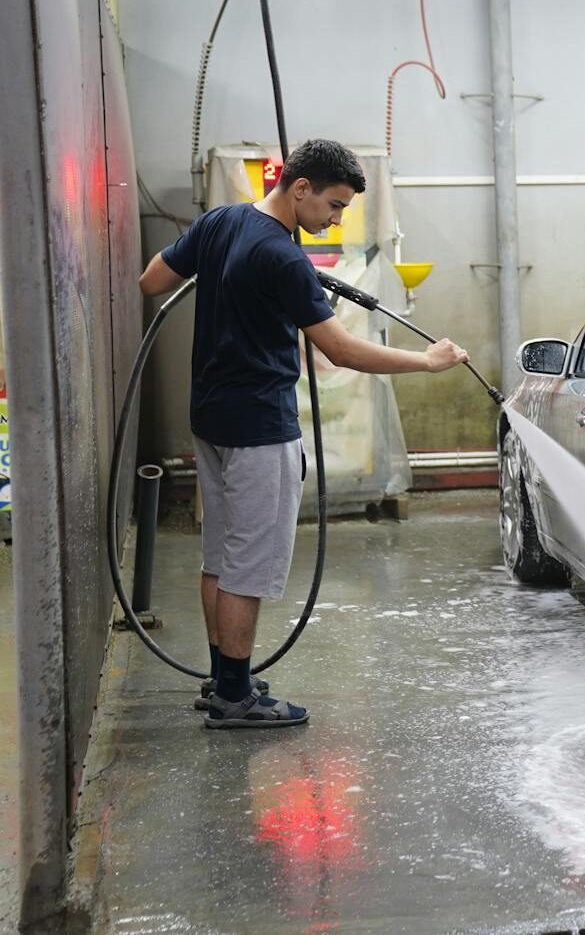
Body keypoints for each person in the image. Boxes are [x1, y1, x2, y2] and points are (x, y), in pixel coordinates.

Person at [138, 139, 469, 729]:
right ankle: (236, 699)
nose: (336, 218)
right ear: (299, 188)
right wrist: (427, 362)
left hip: (210, 416)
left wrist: (231, 288)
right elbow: (339, 350)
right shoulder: (285, 259)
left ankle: (224, 678)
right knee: (249, 564)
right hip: (259, 427)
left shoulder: (221, 222)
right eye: (334, 205)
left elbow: (151, 279)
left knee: (221, 554)